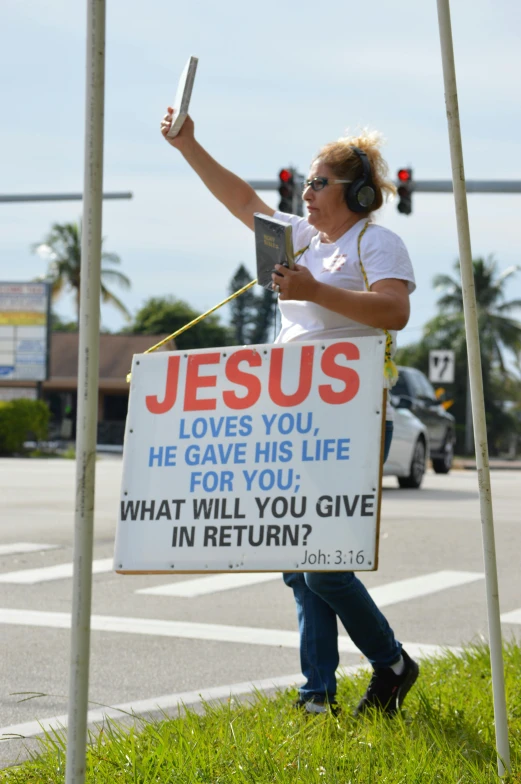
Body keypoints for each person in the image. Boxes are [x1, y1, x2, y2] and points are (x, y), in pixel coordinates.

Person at [161, 108, 418, 717]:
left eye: (318, 182)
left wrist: (314, 291)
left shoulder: (376, 241)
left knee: (324, 568)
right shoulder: (301, 238)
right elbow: (241, 199)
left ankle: (392, 664)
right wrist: (188, 144)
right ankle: (317, 697)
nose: (305, 192)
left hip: (349, 419)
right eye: (306, 181)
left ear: (356, 193)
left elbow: (393, 312)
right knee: (298, 567)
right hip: (289, 420)